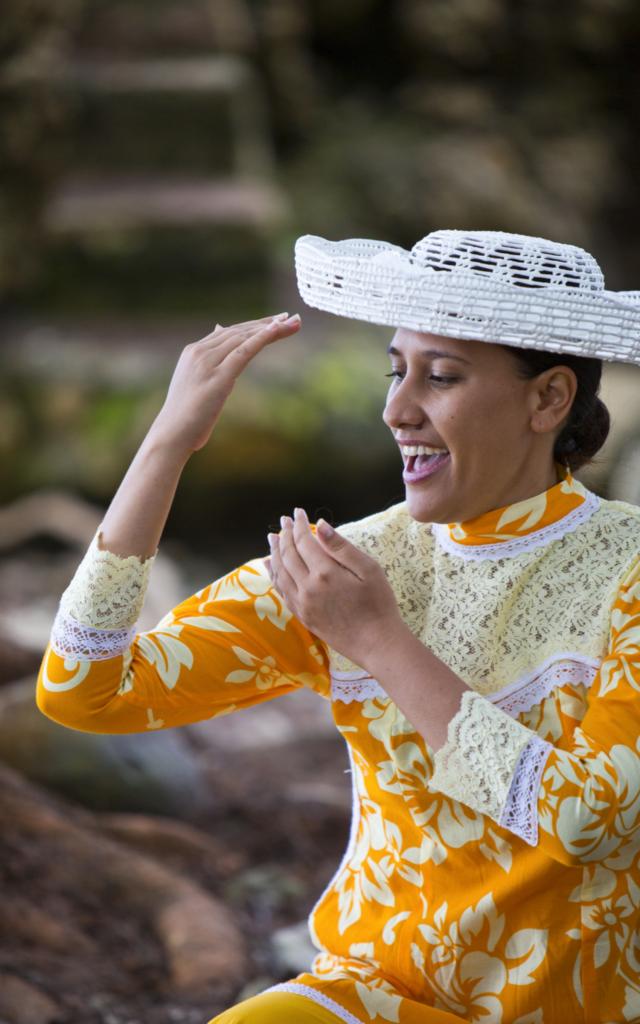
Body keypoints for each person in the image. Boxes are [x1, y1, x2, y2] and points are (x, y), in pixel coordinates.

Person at [36, 229, 640, 1024]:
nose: (397, 409)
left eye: (443, 377)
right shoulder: (348, 566)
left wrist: (380, 641)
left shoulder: (625, 570)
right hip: (364, 999)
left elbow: (585, 824)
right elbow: (84, 694)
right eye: (396, 372)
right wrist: (165, 448)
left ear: (548, 399)